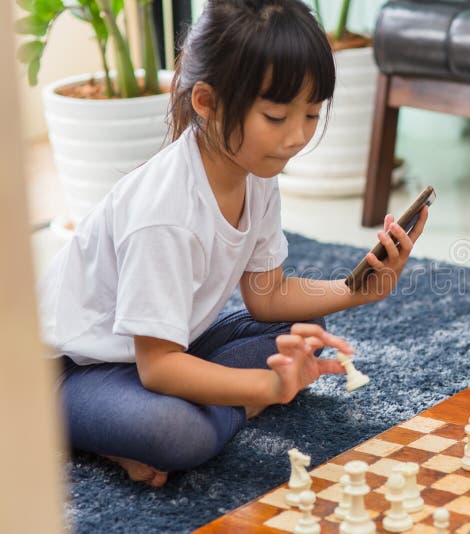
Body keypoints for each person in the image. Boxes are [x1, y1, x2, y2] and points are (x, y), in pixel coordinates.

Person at [36, 0, 428, 487]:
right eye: (275, 115)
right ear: (206, 102)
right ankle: (115, 432)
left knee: (303, 330)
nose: (296, 137)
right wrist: (266, 386)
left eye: (310, 114)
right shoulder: (165, 213)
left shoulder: (255, 170)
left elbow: (266, 297)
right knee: (178, 434)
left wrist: (361, 289)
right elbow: (157, 368)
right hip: (71, 370)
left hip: (167, 343)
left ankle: (206, 402)